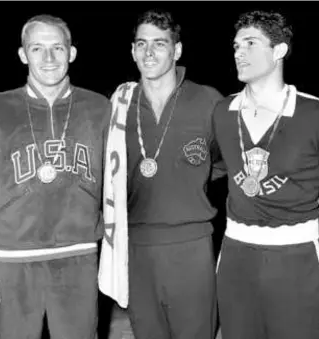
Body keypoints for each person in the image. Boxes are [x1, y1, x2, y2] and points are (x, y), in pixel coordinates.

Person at [212, 10, 319, 339]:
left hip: (296, 261)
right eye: (236, 45)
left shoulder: (318, 116)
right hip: (235, 259)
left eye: (250, 44)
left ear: (279, 50)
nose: (238, 52)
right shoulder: (221, 113)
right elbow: (208, 168)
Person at [0, 14, 111, 339]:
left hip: (79, 259)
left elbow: (119, 184)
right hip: (13, 262)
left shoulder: (100, 107)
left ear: (71, 52)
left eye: (57, 48)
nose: (48, 58)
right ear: (23, 54)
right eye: (37, 48)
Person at [99, 8, 225, 339]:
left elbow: (230, 160)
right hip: (135, 245)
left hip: (192, 244)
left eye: (159, 43)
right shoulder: (117, 105)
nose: (149, 52)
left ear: (177, 50)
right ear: (132, 50)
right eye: (141, 44)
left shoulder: (207, 99)